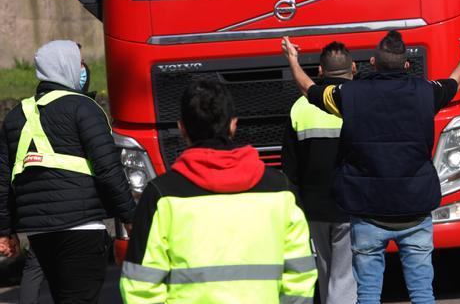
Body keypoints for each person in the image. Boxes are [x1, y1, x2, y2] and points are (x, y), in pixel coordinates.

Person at [282, 30, 460, 304]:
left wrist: (292, 60)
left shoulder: (350, 96)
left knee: (368, 295)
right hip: (415, 208)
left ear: (372, 62)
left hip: (368, 211)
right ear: (407, 65)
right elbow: (456, 80)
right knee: (422, 293)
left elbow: (310, 90)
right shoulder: (426, 93)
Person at [120, 80, 317, 304]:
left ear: (181, 127)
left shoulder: (161, 196)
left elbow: (140, 287)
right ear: (233, 125)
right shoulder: (281, 191)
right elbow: (300, 275)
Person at [0, 40, 135, 303]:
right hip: (82, 227)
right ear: (67, 66)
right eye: (79, 62)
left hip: (39, 233)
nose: (83, 68)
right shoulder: (83, 108)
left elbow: (3, 180)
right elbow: (109, 169)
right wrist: (129, 216)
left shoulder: (17, 116)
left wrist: (5, 230)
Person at [283, 42, 358, 304]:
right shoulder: (361, 101)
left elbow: (290, 169)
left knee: (325, 272)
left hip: (313, 208)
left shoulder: (299, 107)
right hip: (350, 205)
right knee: (344, 277)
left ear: (319, 70)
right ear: (354, 68)